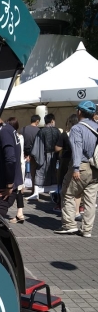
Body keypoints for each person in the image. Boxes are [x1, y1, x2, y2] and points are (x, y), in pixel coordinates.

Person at [55, 100, 98, 236]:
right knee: (90, 200)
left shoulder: (77, 128)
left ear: (79, 112)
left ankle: (69, 224)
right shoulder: (96, 127)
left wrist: (75, 168)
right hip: (96, 167)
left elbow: (77, 149)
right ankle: (87, 230)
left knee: (67, 193)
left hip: (82, 165)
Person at [0, 112, 23, 218]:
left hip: (2, 187)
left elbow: (10, 159)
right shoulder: (3, 131)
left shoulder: (5, 131)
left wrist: (9, 185)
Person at [28, 113, 60, 201]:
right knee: (54, 174)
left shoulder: (42, 131)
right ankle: (54, 192)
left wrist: (38, 157)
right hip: (54, 156)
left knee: (40, 173)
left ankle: (36, 192)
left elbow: (37, 146)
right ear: (52, 121)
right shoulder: (57, 131)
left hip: (43, 155)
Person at [53, 114, 80, 216]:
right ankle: (79, 207)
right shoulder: (81, 132)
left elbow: (57, 148)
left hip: (66, 160)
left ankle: (61, 205)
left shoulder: (65, 134)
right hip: (79, 160)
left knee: (63, 182)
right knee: (78, 185)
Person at [7, 118, 26, 223]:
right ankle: (20, 213)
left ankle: (19, 213)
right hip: (21, 165)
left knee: (15, 189)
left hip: (15, 165)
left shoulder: (11, 137)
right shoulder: (20, 137)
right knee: (19, 190)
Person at [21, 115, 40, 194]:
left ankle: (21, 189)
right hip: (34, 155)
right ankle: (33, 190)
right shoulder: (39, 131)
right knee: (34, 173)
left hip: (23, 154)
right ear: (37, 121)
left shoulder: (23, 129)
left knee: (22, 172)